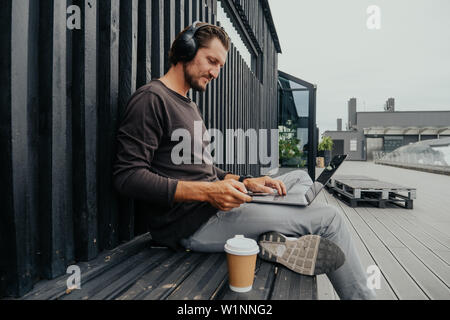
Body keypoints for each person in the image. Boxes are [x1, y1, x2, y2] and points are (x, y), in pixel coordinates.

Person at [113, 22, 376, 300]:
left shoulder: (188, 105)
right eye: (211, 61)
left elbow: (203, 169)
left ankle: (276, 241)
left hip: (214, 206)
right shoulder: (151, 99)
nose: (215, 72)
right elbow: (127, 176)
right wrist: (208, 192)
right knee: (331, 219)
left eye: (220, 66)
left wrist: (245, 181)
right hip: (193, 225)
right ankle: (282, 243)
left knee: (298, 178)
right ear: (185, 50)